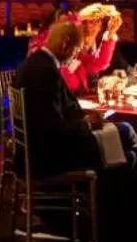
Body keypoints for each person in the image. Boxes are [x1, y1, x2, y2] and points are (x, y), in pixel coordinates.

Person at [17, 22, 108, 179]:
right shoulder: (47, 72)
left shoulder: (34, 62)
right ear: (65, 43)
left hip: (30, 151)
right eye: (76, 50)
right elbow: (53, 129)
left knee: (119, 144)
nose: (75, 55)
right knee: (118, 148)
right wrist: (86, 124)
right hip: (46, 158)